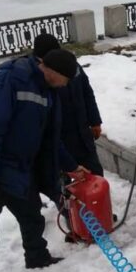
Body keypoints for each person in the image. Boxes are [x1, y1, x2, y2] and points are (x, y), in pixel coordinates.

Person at [0, 49, 85, 272]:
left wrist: (71, 165)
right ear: (51, 71)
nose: (67, 84)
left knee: (31, 216)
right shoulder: (9, 80)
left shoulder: (49, 92)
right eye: (66, 79)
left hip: (19, 169)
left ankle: (37, 257)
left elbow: (51, 138)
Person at [32, 33, 104, 176]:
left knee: (95, 176)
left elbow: (87, 92)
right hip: (60, 141)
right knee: (69, 186)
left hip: (83, 135)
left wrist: (95, 121)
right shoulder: (38, 77)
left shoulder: (71, 64)